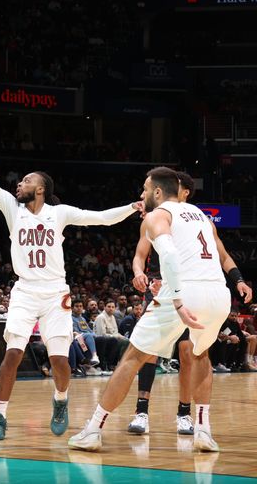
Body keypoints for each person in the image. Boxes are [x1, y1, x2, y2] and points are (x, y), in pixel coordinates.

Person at [0, 116, 140, 441]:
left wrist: (132, 207)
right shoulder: (11, 207)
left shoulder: (58, 214)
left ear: (41, 188)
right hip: (24, 291)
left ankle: (60, 401)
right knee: (13, 354)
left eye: (25, 180)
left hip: (55, 294)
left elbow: (102, 219)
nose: (18, 184)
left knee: (59, 359)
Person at [69, 167, 231, 453]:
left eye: (145, 189)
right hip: (218, 292)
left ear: (158, 192)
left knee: (132, 357)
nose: (142, 194)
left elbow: (168, 254)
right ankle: (203, 431)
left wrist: (179, 300)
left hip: (184, 291)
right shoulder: (201, 216)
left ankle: (93, 430)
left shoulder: (159, 215)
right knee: (201, 354)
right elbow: (218, 255)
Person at [126, 171, 252, 436]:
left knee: (188, 352)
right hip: (161, 287)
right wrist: (139, 273)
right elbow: (140, 254)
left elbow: (222, 255)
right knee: (149, 351)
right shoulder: (159, 216)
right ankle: (141, 411)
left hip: (191, 290)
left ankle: (184, 413)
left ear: (185, 192)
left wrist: (238, 279)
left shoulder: (200, 220)